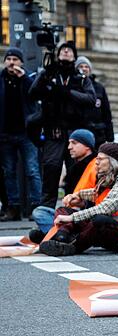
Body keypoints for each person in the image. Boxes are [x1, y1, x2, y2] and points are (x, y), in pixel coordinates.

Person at [38, 143, 118, 256]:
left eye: (100, 159)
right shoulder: (114, 175)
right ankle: (61, 237)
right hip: (109, 229)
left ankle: (72, 247)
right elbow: (96, 192)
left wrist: (71, 218)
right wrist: (77, 195)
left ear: (113, 161)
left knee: (98, 220)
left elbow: (105, 208)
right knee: (63, 210)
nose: (96, 162)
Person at [29, 41, 96, 209]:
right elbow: (33, 92)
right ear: (58, 54)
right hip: (54, 132)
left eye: (70, 50)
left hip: (75, 132)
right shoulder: (49, 74)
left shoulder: (80, 78)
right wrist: (44, 76)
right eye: (63, 50)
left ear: (74, 56)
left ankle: (74, 208)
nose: (66, 52)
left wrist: (68, 93)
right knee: (51, 169)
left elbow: (90, 98)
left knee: (76, 172)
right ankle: (46, 209)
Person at [28, 129, 98, 241]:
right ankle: (62, 234)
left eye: (74, 143)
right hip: (75, 215)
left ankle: (59, 235)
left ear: (87, 146)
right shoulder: (75, 168)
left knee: (40, 214)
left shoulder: (97, 166)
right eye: (69, 143)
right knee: (41, 212)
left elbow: (100, 198)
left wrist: (81, 203)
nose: (69, 147)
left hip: (89, 216)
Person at [0, 47, 42, 221]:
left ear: (21, 63)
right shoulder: (0, 80)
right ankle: (13, 208)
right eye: (8, 59)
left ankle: (36, 207)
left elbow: (36, 94)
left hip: (27, 133)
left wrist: (22, 77)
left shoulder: (29, 78)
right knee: (8, 172)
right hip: (5, 135)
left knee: (32, 170)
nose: (11, 62)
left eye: (15, 59)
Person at [75, 56, 113, 148]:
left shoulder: (99, 88)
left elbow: (106, 112)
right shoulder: (73, 87)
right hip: (79, 133)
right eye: (81, 66)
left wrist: (110, 136)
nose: (84, 69)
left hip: (98, 134)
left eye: (86, 66)